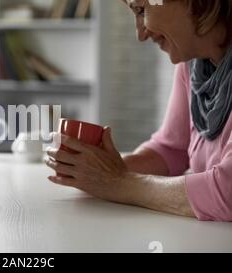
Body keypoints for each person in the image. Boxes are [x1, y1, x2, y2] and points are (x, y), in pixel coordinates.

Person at [45, 0, 232, 221]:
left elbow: (227, 192)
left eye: (141, 10)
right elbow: (171, 149)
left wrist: (118, 183)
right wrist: (95, 171)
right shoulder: (193, 63)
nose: (141, 34)